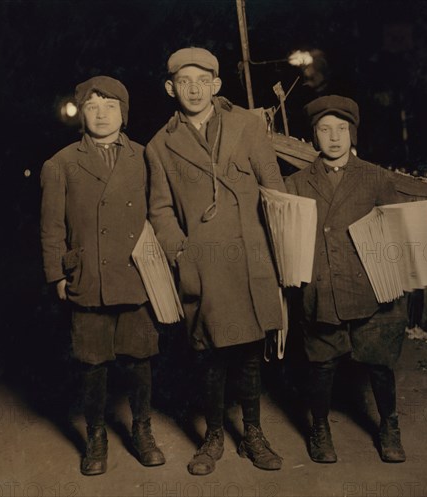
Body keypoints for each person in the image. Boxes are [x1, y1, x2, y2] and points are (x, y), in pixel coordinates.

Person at [145, 47, 285, 475]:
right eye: (184, 82)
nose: (194, 89)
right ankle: (213, 436)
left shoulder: (247, 123)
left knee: (247, 351)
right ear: (171, 88)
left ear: (216, 85)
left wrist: (284, 251)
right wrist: (180, 251)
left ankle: (254, 435)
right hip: (203, 263)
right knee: (209, 353)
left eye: (202, 80)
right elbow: (160, 210)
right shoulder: (160, 145)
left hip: (250, 256)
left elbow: (273, 186)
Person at [40, 76, 164, 476]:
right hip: (88, 276)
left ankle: (142, 430)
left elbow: (159, 214)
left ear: (123, 115)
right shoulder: (60, 163)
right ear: (82, 115)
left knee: (140, 357)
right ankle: (96, 436)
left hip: (135, 275)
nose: (101, 114)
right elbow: (51, 228)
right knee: (92, 362)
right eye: (93, 106)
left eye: (110, 106)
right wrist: (57, 274)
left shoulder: (145, 157)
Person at [285, 95, 407, 464]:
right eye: (325, 130)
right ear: (313, 137)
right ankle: (320, 428)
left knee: (379, 363)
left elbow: (395, 235)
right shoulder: (296, 182)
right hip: (321, 288)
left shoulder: (376, 177)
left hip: (370, 289)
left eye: (341, 129)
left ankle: (389, 425)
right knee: (321, 364)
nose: (334, 137)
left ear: (353, 133)